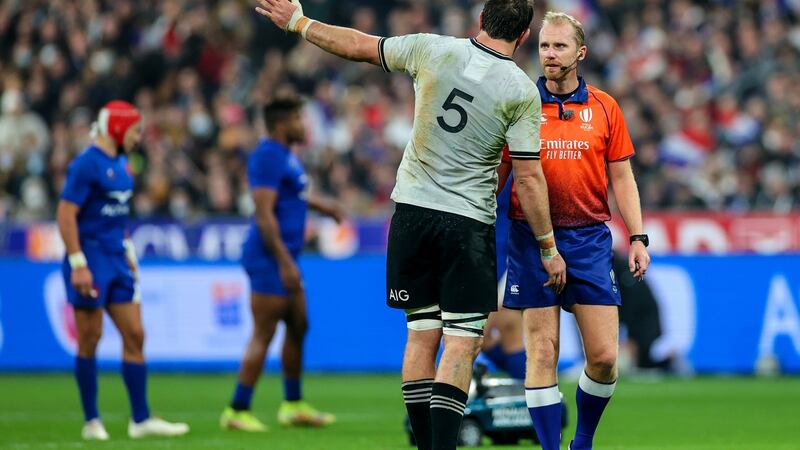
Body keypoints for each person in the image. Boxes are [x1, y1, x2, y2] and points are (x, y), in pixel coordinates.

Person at [255, 1, 567, 449]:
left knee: (421, 335)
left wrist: (300, 24)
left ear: (480, 20)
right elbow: (529, 176)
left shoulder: (432, 49)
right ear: (523, 37)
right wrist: (546, 244)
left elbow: (360, 46)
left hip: (411, 215)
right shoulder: (520, 91)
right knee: (460, 344)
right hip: (466, 224)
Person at [496, 11, 651, 450]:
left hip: (588, 239)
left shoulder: (605, 107)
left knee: (604, 358)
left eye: (559, 46)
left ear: (579, 53)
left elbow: (622, 177)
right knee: (542, 352)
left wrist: (637, 236)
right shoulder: (520, 102)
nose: (549, 54)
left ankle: (580, 441)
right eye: (544, 45)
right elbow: (501, 172)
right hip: (531, 237)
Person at [56, 100, 190, 440]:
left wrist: (128, 250)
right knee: (90, 338)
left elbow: (115, 216)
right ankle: (91, 421)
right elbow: (66, 214)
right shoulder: (86, 164)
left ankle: (141, 420)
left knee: (135, 334)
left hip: (117, 258)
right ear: (116, 128)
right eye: (134, 130)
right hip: (91, 260)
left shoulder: (121, 163)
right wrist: (77, 263)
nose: (138, 136)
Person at [220, 96, 343, 431]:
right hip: (270, 257)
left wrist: (324, 207)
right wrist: (284, 261)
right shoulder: (267, 156)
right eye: (298, 118)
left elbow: (295, 195)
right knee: (264, 331)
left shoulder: (285, 156)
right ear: (280, 124)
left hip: (285, 257)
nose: (304, 124)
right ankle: (236, 409)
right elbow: (263, 212)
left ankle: (293, 405)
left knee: (299, 324)